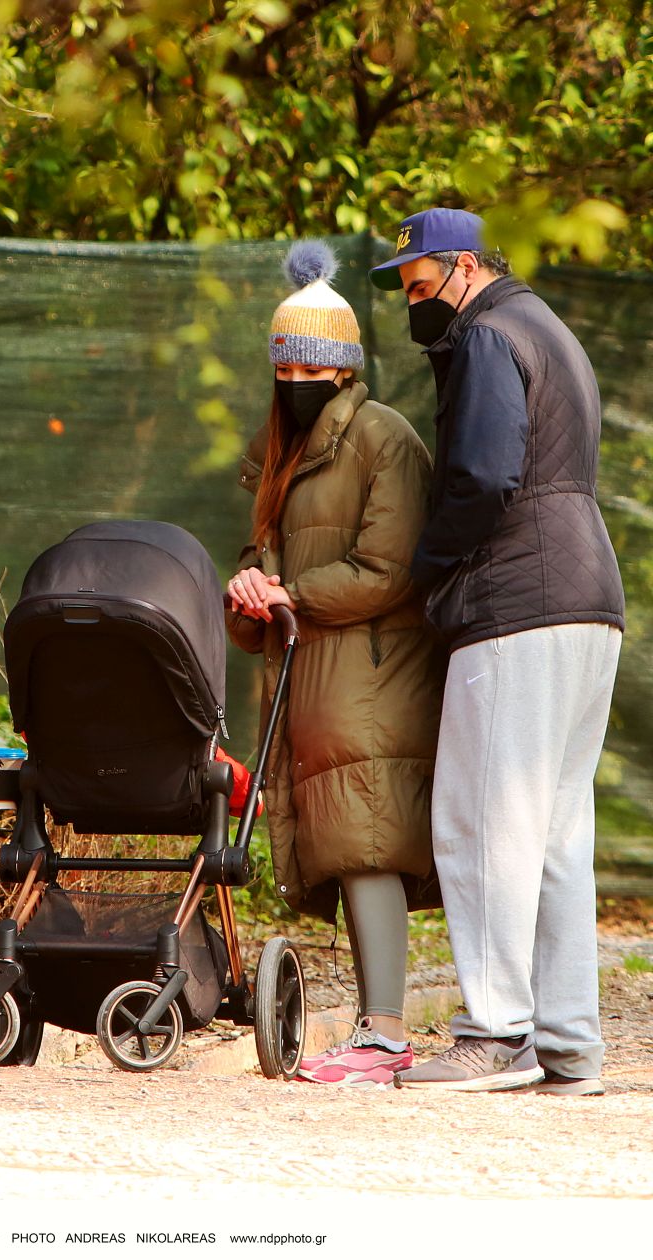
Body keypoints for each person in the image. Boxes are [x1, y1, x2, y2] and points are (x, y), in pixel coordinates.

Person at [369, 208, 624, 1096]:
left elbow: (483, 477)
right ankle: (568, 1042)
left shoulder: (487, 336)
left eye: (422, 284)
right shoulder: (546, 326)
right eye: (406, 290)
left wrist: (427, 570)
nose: (415, 304)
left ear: (467, 267)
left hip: (518, 599)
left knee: (481, 819)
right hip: (588, 601)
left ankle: (493, 1034)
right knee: (555, 834)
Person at [226, 240, 445, 1087]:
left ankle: (385, 1035)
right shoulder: (278, 450)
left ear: (345, 368)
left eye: (312, 368)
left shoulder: (383, 438)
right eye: (285, 368)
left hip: (373, 674)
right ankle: (374, 1030)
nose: (297, 382)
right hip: (312, 674)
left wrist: (289, 593)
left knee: (369, 841)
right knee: (353, 846)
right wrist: (249, 594)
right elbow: (262, 563)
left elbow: (391, 571)